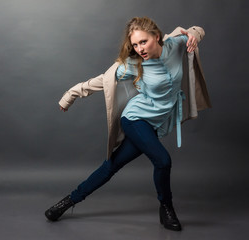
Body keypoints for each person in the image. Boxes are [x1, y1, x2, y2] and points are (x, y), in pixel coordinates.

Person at [45, 17, 211, 231]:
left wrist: (194, 35)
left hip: (156, 123)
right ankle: (166, 209)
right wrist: (71, 95)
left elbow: (197, 29)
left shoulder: (176, 45)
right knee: (163, 161)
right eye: (135, 44)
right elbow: (102, 81)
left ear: (157, 36)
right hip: (136, 118)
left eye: (143, 42)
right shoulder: (135, 64)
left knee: (111, 166)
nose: (139, 48)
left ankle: (66, 203)